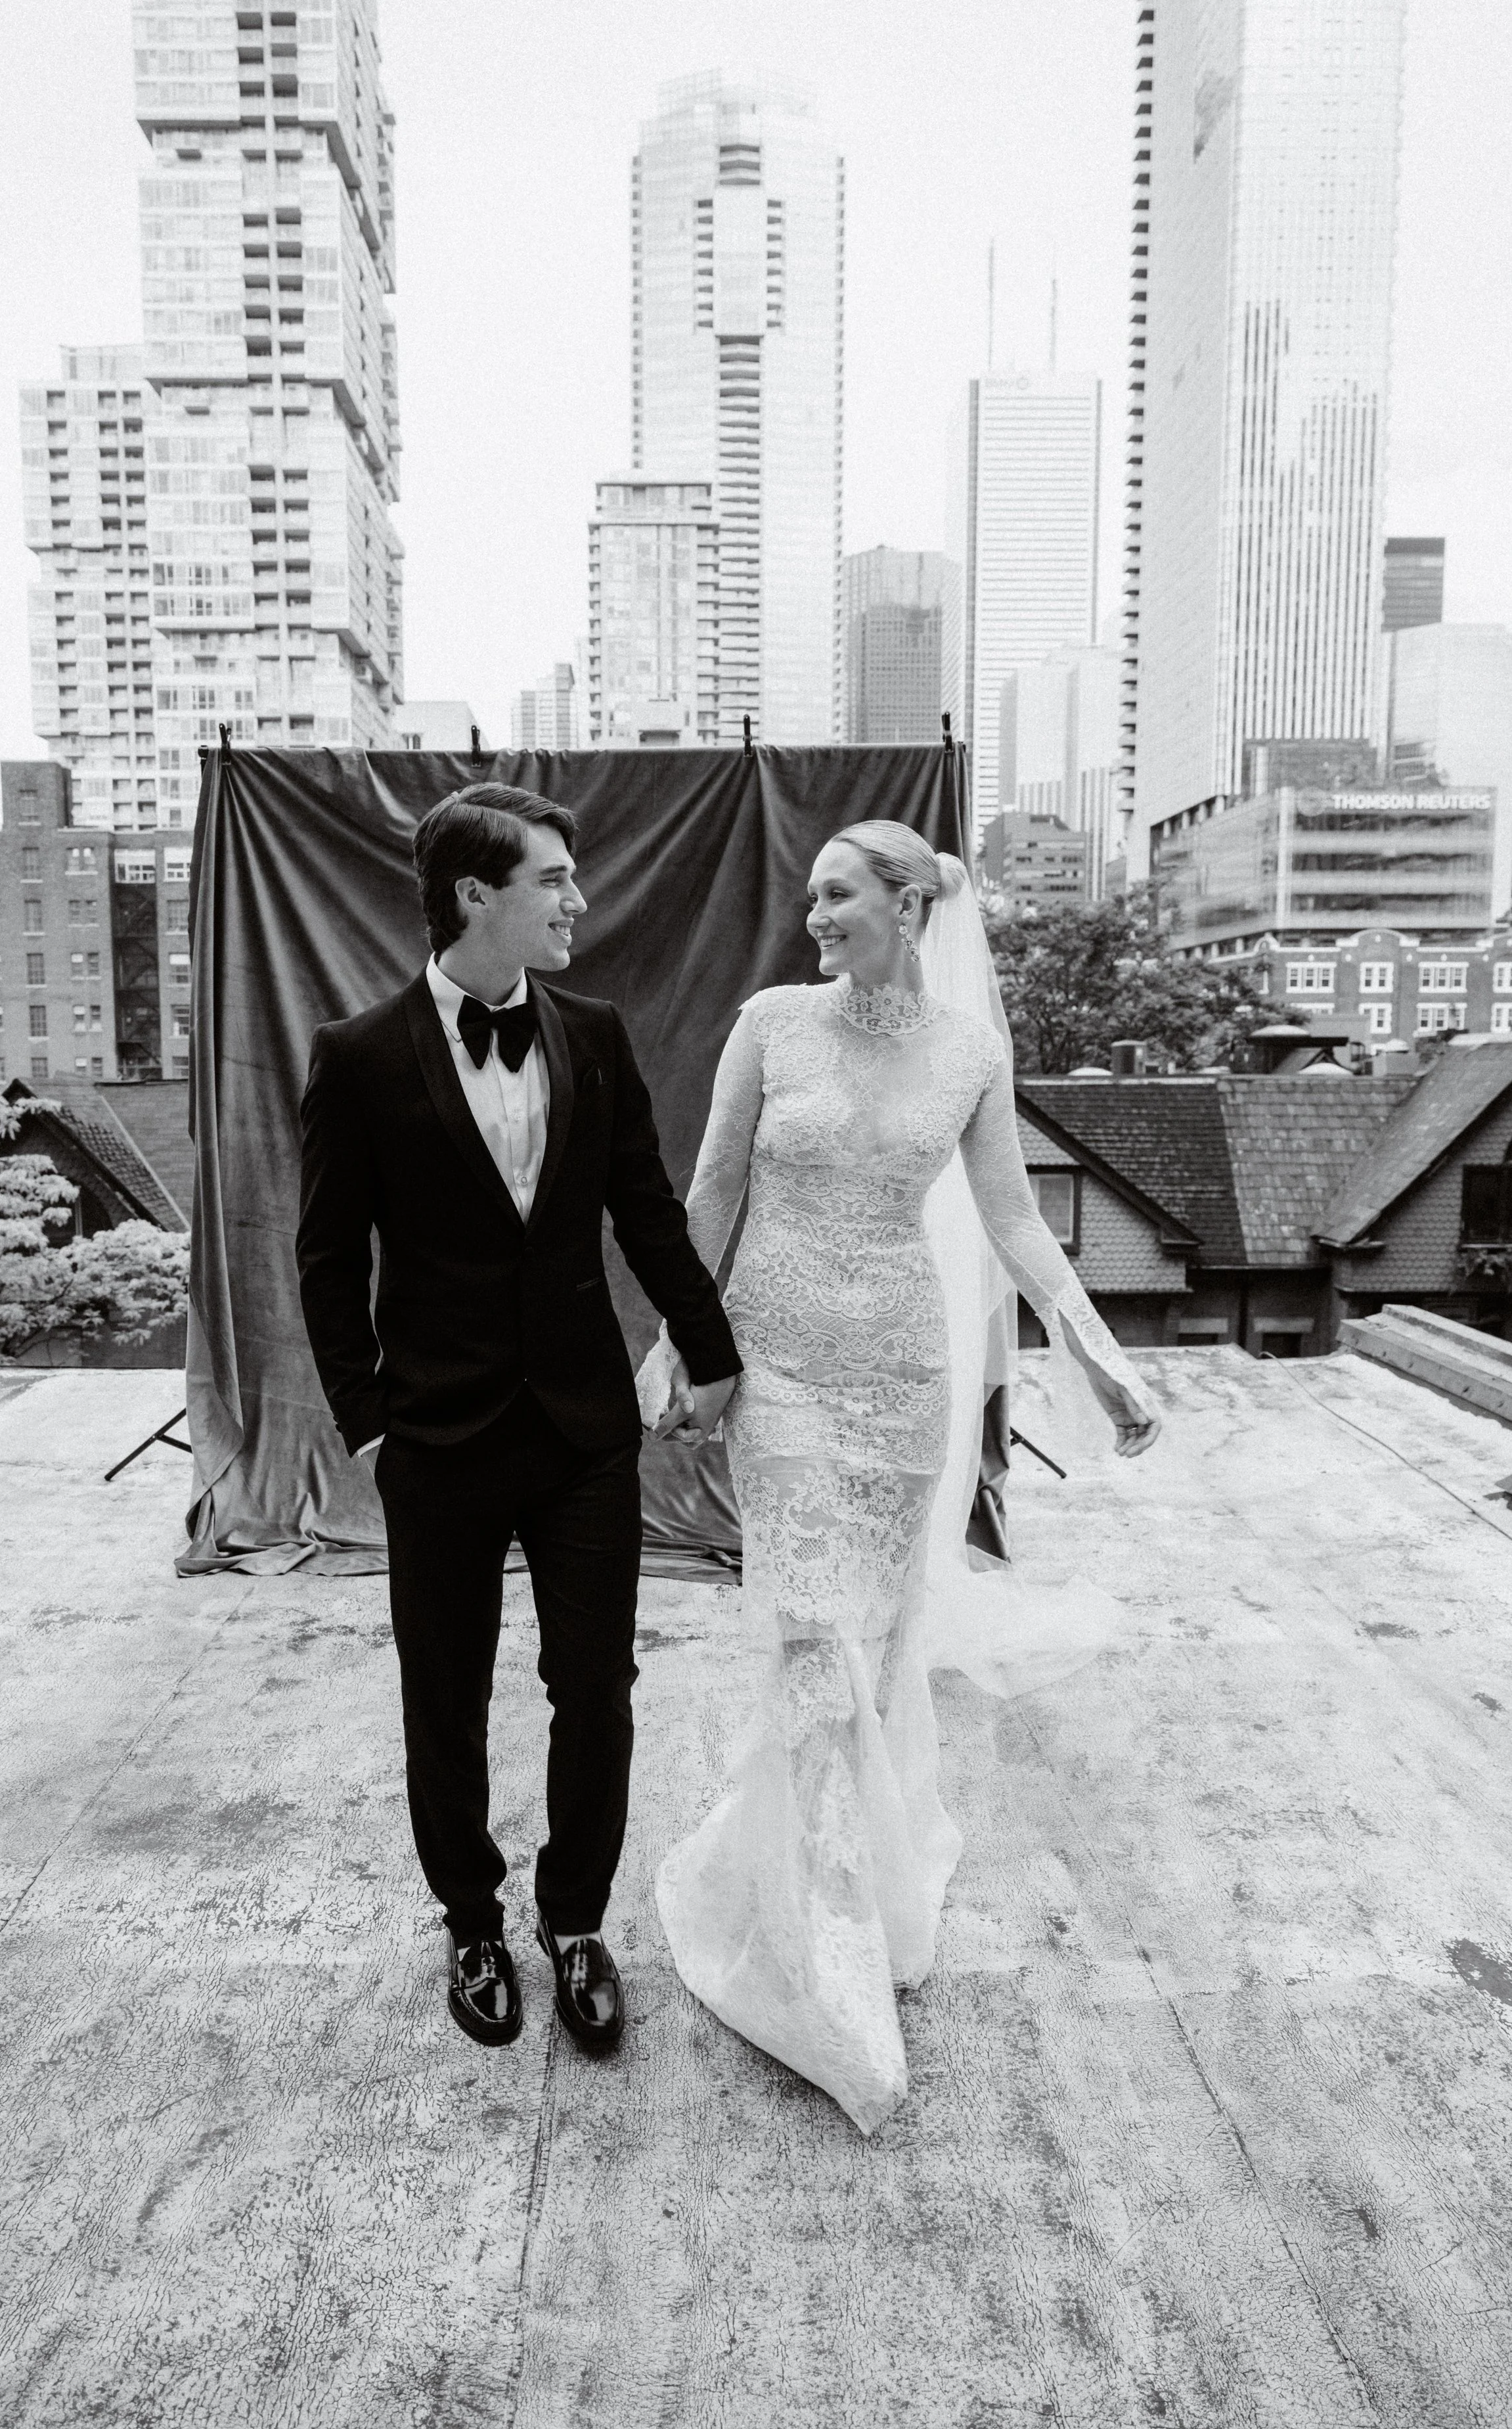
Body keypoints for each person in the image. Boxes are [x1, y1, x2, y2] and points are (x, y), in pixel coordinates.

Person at [636, 820, 1162, 2134]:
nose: (812, 915)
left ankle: (818, 1885)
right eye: (808, 895)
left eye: (836, 894)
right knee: (809, 1643)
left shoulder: (970, 1055)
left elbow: (1013, 1223)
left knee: (865, 1661)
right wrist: (670, 1341)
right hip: (780, 1378)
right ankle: (818, 1971)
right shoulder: (769, 1026)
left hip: (900, 1386)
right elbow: (706, 1194)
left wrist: (1092, 1355)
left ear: (908, 905)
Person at [296, 783, 740, 2054]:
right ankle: (472, 1921)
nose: (577, 901)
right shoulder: (361, 1055)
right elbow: (327, 1261)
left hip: (582, 1430)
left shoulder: (593, 1033)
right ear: (474, 894)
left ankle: (577, 1920)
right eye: (551, 878)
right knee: (444, 1694)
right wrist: (369, 1424)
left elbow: (646, 1209)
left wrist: (709, 1352)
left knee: (595, 1686)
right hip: (435, 1440)